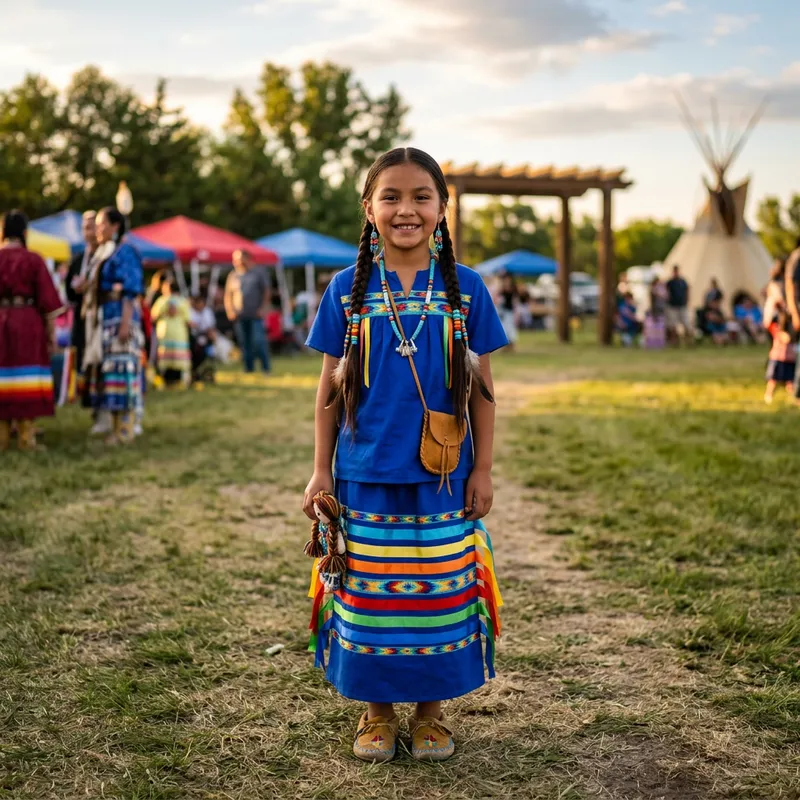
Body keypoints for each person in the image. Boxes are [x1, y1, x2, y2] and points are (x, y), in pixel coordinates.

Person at [302, 147, 507, 764]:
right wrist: (319, 469)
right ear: (368, 210)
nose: (406, 209)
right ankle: (376, 713)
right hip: (362, 475)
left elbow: (483, 391)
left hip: (441, 479)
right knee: (372, 599)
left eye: (422, 196)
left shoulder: (466, 290)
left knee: (435, 596)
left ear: (443, 209)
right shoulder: (346, 291)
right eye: (390, 197)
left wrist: (484, 466)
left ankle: (431, 715)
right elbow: (328, 392)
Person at [0, 210, 64, 451]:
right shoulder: (34, 260)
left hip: (1, 322)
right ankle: (26, 437)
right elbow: (49, 304)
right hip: (27, 321)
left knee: (2, 375)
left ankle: (2, 438)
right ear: (25, 233)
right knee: (26, 375)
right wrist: (51, 336)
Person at [81, 207, 144, 445]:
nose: (98, 229)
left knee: (123, 371)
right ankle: (117, 428)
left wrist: (126, 323)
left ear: (115, 226)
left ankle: (126, 429)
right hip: (107, 318)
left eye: (101, 224)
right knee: (112, 373)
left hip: (120, 317)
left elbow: (132, 288)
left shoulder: (124, 251)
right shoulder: (105, 252)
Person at [224, 249, 271, 373]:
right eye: (235, 260)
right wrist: (230, 310)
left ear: (247, 259)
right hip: (239, 315)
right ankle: (248, 368)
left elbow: (266, 292)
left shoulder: (258, 273)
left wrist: (263, 308)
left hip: (256, 314)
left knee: (258, 342)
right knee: (244, 343)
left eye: (239, 259)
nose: (236, 262)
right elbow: (228, 295)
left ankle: (265, 368)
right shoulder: (233, 275)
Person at [151, 277, 191, 388]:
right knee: (178, 359)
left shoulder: (162, 301)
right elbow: (188, 320)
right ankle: (179, 381)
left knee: (164, 358)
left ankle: (162, 381)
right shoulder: (183, 301)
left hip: (165, 333)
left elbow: (153, 316)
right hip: (179, 334)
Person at [764, 308, 796, 404]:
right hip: (779, 358)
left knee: (790, 381)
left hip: (789, 359)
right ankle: (768, 395)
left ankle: (795, 398)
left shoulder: (779, 330)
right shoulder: (777, 330)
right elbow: (787, 339)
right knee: (773, 380)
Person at [188, 292, 217, 382]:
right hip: (193, 338)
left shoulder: (207, 312)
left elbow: (211, 327)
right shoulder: (190, 312)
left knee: (206, 348)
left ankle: (205, 372)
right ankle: (194, 371)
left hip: (205, 338)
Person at [665, 265, 691, 345]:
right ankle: (674, 342)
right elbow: (666, 293)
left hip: (682, 305)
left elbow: (687, 291)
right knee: (673, 325)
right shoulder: (670, 282)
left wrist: (687, 300)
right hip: (672, 306)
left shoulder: (683, 281)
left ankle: (688, 341)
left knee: (686, 324)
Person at [494, 270, 519, 351]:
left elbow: (516, 300)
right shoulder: (502, 289)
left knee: (510, 328)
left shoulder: (513, 288)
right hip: (503, 311)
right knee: (504, 328)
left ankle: (511, 346)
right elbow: (496, 298)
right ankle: (505, 346)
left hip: (510, 311)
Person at [763, 257, 787, 330]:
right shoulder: (776, 284)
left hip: (773, 314)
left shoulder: (775, 282)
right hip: (775, 315)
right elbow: (778, 300)